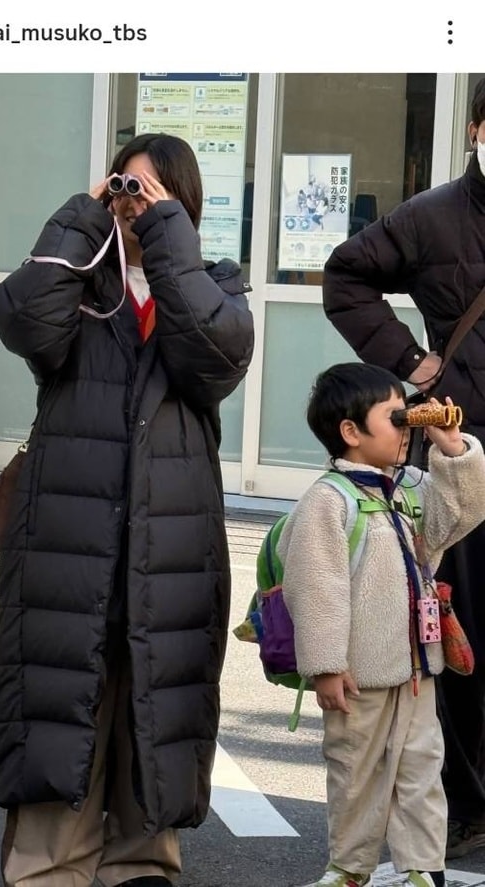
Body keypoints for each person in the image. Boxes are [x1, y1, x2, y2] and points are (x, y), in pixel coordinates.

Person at [0, 132, 254, 887]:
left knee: (156, 710)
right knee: (59, 701)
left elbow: (215, 355)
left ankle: (141, 865)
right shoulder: (78, 286)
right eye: (124, 188)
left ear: (184, 207)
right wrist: (83, 215)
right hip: (66, 547)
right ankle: (48, 867)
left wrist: (169, 239)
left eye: (151, 194)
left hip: (167, 551)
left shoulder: (214, 288)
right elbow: (21, 318)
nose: (134, 205)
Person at [322, 77, 485, 859]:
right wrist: (414, 364)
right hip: (461, 444)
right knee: (459, 628)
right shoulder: (433, 215)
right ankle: (459, 800)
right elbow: (344, 276)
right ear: (479, 126)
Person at [279, 362, 485, 887]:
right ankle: (350, 865)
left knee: (422, 771)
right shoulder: (328, 502)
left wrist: (454, 450)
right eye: (395, 416)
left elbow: (462, 514)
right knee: (357, 772)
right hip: (359, 673)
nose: (407, 424)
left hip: (417, 667)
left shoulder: (412, 487)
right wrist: (326, 666)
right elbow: (317, 590)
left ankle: (423, 866)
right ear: (351, 432)